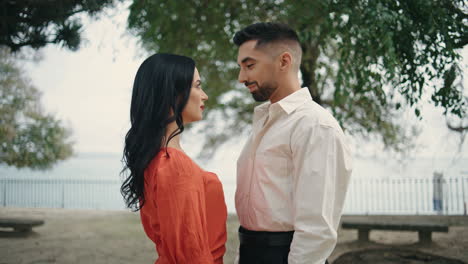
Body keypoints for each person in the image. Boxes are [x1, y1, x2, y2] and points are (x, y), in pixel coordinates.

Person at [233, 22, 353, 264]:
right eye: (241, 67)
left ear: (284, 61)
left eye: (249, 65)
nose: (241, 78)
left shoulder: (314, 125)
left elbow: (316, 229)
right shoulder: (265, 121)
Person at [120, 53, 227, 264]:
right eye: (197, 86)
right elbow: (191, 253)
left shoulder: (156, 160)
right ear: (173, 94)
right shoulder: (174, 165)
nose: (204, 95)